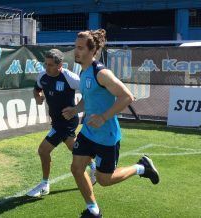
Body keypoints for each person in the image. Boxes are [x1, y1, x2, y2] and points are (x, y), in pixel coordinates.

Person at [62, 30, 160, 217]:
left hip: (107, 136)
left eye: (80, 48)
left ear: (93, 51)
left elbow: (127, 97)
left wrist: (103, 117)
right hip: (89, 131)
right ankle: (93, 210)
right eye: (75, 47)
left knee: (104, 180)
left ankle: (141, 167)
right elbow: (88, 97)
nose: (76, 51)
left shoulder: (102, 73)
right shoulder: (83, 71)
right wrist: (76, 109)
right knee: (76, 167)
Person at [27, 49, 96, 197]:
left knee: (43, 150)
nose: (47, 67)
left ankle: (44, 184)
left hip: (67, 121)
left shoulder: (70, 77)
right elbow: (36, 89)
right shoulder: (43, 76)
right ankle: (93, 166)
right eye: (45, 64)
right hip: (56, 120)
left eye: (50, 65)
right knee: (74, 148)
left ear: (60, 65)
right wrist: (37, 97)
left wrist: (75, 109)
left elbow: (90, 92)